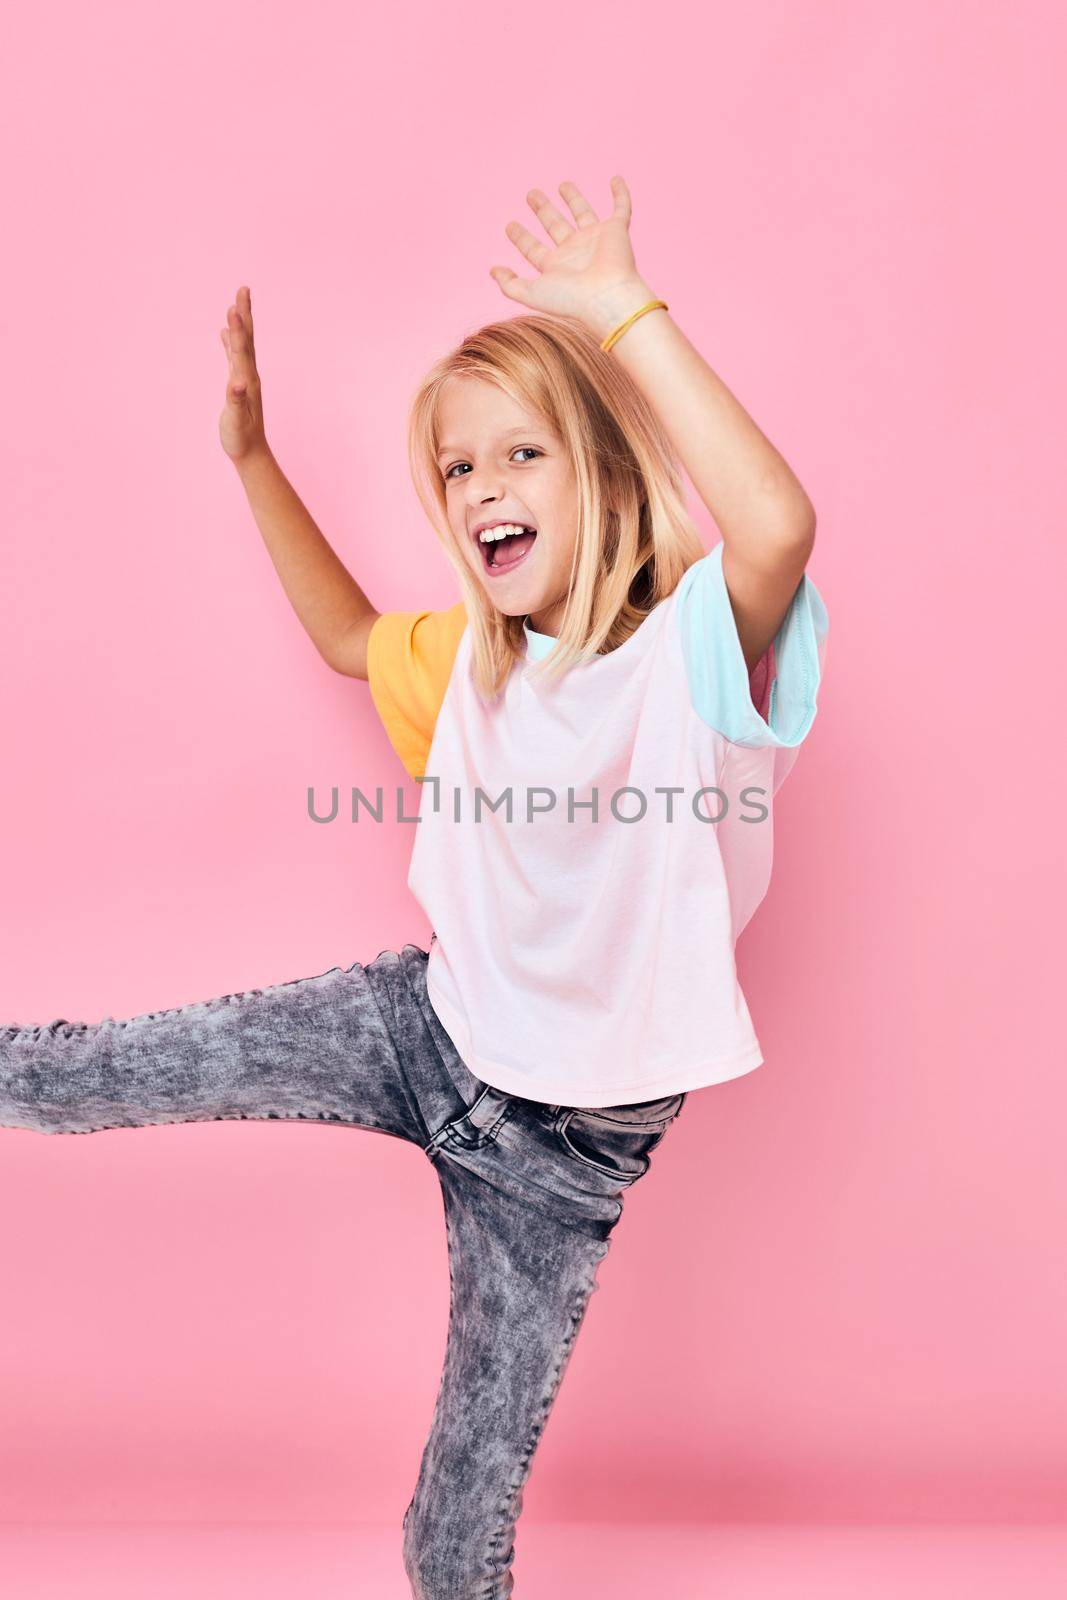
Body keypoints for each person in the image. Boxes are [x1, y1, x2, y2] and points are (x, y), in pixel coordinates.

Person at [0, 175, 829, 1598]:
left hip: (559, 1150)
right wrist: (254, 458)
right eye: (458, 471)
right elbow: (345, 636)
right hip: (428, 1026)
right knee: (77, 1071)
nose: (485, 489)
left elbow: (774, 528)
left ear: (609, 475)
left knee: (450, 1548)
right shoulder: (470, 664)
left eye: (522, 455)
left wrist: (622, 315)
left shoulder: (689, 655)